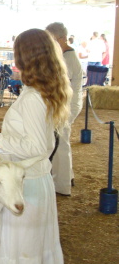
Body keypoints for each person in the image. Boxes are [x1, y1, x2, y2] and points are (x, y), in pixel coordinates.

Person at [0, 28, 71, 264]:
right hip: (35, 181)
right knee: (32, 250)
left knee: (21, 253)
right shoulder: (40, 92)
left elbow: (37, 147)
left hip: (27, 186)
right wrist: (7, 130)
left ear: (24, 58)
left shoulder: (32, 98)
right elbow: (39, 137)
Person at [46, 22, 83, 195]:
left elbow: (59, 84)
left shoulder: (68, 58)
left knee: (60, 143)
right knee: (60, 141)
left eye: (52, 39)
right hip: (66, 104)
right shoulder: (66, 55)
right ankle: (67, 177)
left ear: (61, 38)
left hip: (66, 105)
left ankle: (62, 185)